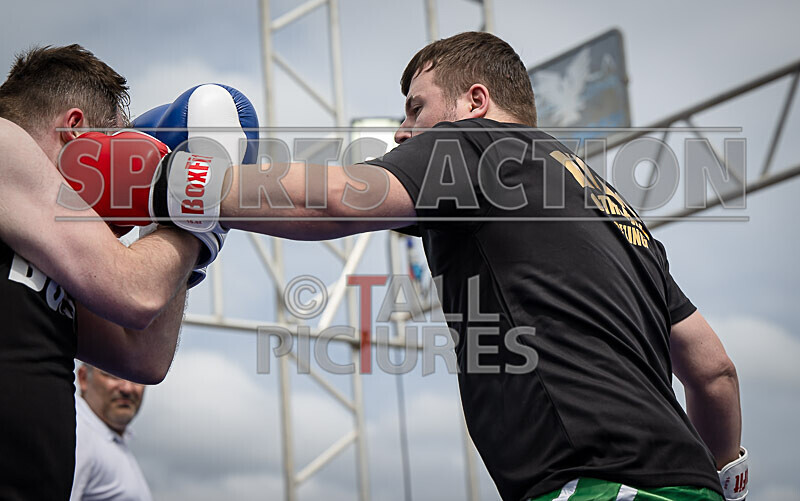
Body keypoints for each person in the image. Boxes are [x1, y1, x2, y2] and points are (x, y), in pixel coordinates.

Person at [207, 32, 745, 500]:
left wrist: (169, 182)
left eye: (416, 108)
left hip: (598, 484)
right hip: (684, 484)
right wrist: (720, 483)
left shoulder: (475, 143)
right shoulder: (615, 211)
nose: (400, 131)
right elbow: (714, 370)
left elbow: (337, 199)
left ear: (475, 102)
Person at [0, 45, 202, 499]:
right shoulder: (2, 143)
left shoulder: (46, 252)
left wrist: (179, 223)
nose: (122, 172)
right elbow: (137, 290)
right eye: (114, 148)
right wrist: (192, 197)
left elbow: (144, 356)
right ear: (75, 133)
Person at [71, 364, 153, 501]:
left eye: (137, 377)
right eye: (112, 374)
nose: (127, 388)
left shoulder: (107, 437)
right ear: (83, 378)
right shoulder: (78, 432)